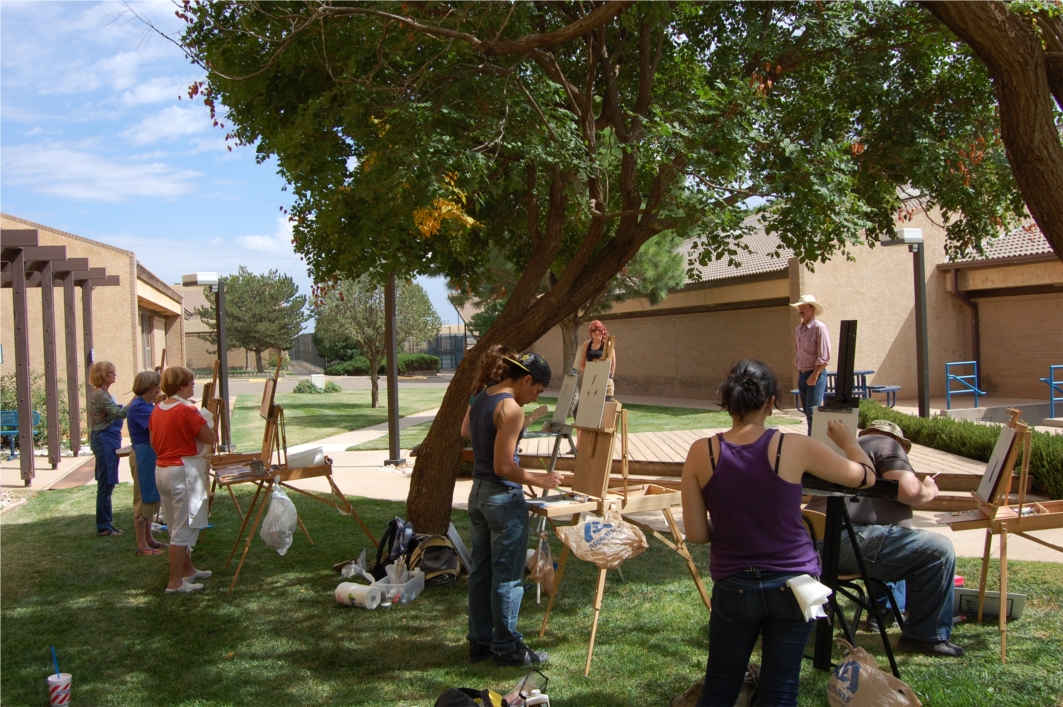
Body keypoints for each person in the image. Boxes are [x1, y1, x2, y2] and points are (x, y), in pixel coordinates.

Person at [681, 359, 874, 707]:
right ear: (771, 403)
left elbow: (695, 532)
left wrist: (731, 523)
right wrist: (850, 442)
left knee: (720, 690)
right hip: (795, 583)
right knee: (781, 689)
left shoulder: (701, 452)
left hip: (734, 585)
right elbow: (864, 477)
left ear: (728, 401)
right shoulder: (794, 446)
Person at [806, 420, 963, 657]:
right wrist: (929, 489)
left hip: (809, 542)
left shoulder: (850, 451)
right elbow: (909, 490)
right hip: (838, 540)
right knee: (938, 549)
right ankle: (925, 637)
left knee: (901, 541)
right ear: (898, 442)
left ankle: (885, 613)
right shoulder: (885, 443)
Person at [464, 352, 564, 666]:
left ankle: (480, 640)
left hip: (478, 494)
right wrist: (540, 478)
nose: (535, 399)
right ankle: (507, 647)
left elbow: (465, 431)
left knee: (482, 572)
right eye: (537, 391)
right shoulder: (511, 408)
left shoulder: (483, 397)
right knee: (507, 577)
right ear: (526, 380)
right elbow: (504, 465)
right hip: (503, 498)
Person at [150, 366, 216, 594]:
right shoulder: (187, 409)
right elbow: (209, 436)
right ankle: (175, 582)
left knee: (175, 525)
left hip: (162, 470)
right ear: (180, 385)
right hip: (182, 471)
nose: (193, 385)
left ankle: (188, 570)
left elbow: (153, 440)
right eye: (190, 382)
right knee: (182, 529)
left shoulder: (158, 408)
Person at [87, 360, 128, 537]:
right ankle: (103, 526)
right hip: (104, 439)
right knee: (106, 483)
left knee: (108, 483)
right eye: (111, 372)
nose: (114, 374)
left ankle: (107, 523)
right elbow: (120, 414)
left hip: (109, 439)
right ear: (103, 375)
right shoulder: (100, 395)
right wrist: (137, 399)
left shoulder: (105, 394)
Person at [127, 370, 165, 556]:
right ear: (147, 386)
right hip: (143, 455)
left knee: (150, 496)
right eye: (156, 385)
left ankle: (149, 539)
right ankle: (142, 545)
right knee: (143, 498)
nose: (158, 389)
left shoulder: (146, 404)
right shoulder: (139, 407)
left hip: (149, 454)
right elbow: (157, 425)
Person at [791, 294, 831, 436]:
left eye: (803, 307)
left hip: (815, 374)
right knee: (807, 412)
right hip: (803, 373)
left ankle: (815, 442)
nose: (800, 310)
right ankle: (812, 440)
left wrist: (815, 374)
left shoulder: (819, 328)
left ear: (812, 309)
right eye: (799, 307)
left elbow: (824, 357)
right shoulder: (799, 330)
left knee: (813, 412)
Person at [577, 320, 616, 403]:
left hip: (605, 380)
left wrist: (609, 379)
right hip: (591, 380)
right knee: (581, 408)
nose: (597, 332)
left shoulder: (608, 344)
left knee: (604, 408)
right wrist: (593, 369)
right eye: (594, 330)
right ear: (591, 333)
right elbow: (581, 365)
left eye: (599, 330)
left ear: (602, 331)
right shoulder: (587, 344)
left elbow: (612, 366)